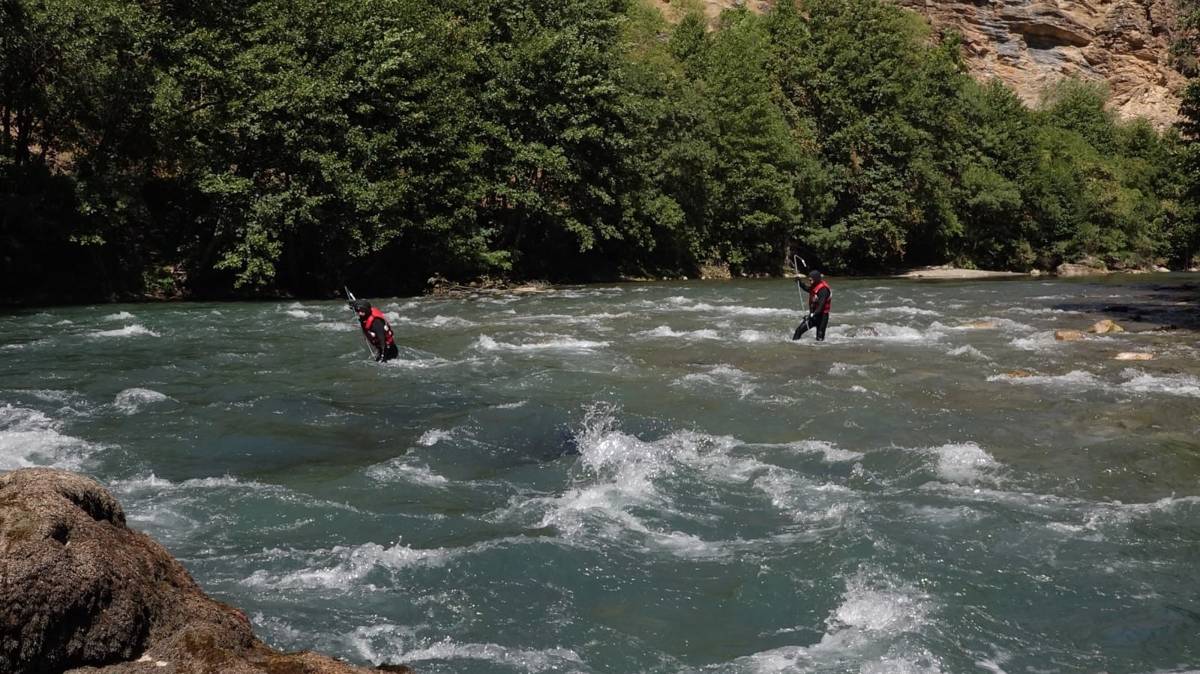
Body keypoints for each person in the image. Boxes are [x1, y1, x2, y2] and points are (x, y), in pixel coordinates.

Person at [799, 270, 831, 341]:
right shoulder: (815, 285)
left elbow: (821, 306)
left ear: (816, 279)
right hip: (813, 316)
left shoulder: (824, 290)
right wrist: (800, 283)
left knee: (819, 339)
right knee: (799, 331)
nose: (809, 282)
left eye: (811, 280)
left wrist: (811, 315)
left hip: (822, 317)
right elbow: (808, 289)